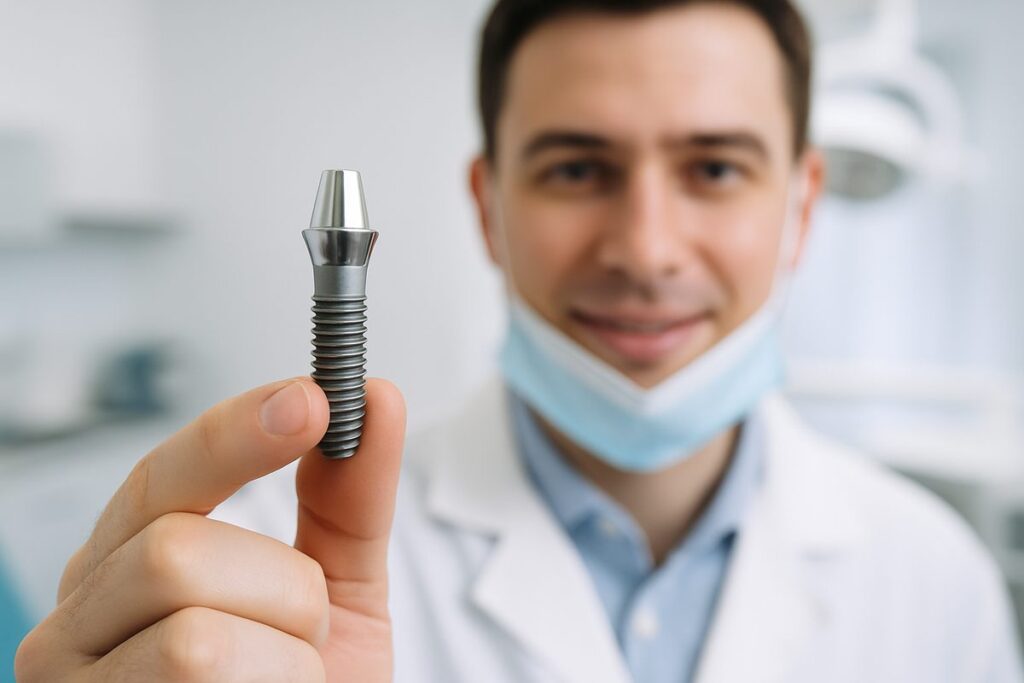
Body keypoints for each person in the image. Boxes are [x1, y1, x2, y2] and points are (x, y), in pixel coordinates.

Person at [14, 0, 1024, 681]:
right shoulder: (260, 563)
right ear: (486, 206)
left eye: (713, 168)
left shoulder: (936, 582)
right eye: (578, 169)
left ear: (802, 206)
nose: (645, 248)